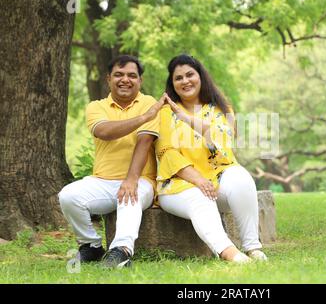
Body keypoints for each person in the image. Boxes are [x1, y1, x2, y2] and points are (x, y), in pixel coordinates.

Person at [156, 54, 267, 262]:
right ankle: (230, 254)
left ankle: (253, 247)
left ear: (201, 77)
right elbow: (167, 153)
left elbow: (221, 142)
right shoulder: (165, 112)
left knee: (241, 177)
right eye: (178, 78)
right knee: (200, 195)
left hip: (217, 180)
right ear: (172, 84)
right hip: (178, 185)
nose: (185, 81)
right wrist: (198, 180)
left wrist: (186, 119)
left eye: (190, 74)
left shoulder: (220, 109)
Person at [58, 55, 165, 268]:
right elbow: (104, 131)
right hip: (102, 180)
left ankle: (121, 251)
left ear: (139, 81)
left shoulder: (149, 103)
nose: (125, 79)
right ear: (109, 79)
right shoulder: (96, 107)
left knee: (129, 197)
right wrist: (144, 117)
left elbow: (144, 143)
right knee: (68, 196)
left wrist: (131, 179)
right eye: (119, 74)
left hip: (141, 179)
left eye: (132, 76)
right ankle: (91, 245)